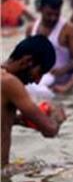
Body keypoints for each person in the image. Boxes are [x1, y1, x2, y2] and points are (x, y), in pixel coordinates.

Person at [2, 35, 67, 167]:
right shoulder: (9, 83)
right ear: (27, 61)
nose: (37, 81)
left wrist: (22, 120)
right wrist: (56, 116)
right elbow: (50, 130)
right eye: (40, 72)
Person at [26, 0, 73, 89]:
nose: (53, 18)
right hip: (37, 83)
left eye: (56, 14)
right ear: (40, 9)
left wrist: (63, 70)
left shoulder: (69, 30)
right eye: (49, 14)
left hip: (61, 88)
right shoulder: (31, 28)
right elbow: (25, 56)